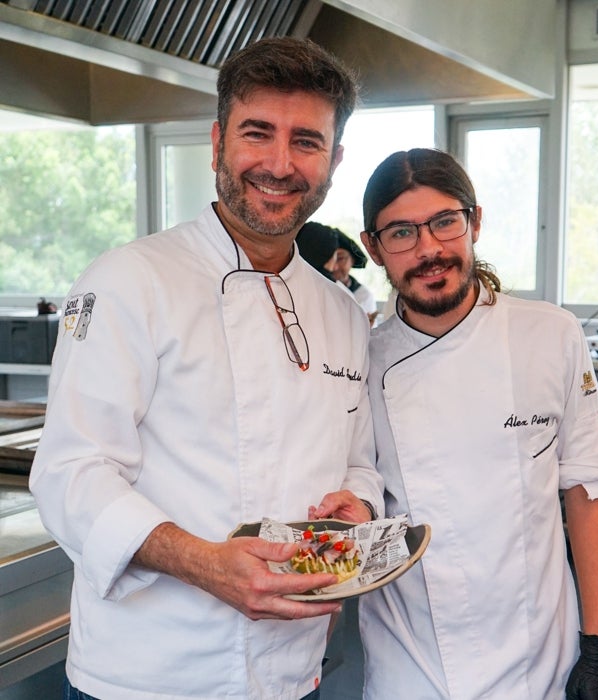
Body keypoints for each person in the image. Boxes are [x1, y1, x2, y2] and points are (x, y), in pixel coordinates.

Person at [29, 37, 383, 700]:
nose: (280, 164)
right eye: (258, 134)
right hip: (149, 676)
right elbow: (70, 474)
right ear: (218, 142)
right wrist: (205, 565)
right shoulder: (131, 280)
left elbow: (358, 461)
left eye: (306, 141)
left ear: (333, 160)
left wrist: (357, 504)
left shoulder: (340, 314)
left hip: (291, 672)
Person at [356, 147, 598, 699]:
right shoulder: (359, 359)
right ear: (373, 248)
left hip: (538, 657)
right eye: (401, 232)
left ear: (475, 221)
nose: (429, 249)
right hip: (411, 663)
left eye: (445, 222)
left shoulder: (551, 335)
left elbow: (590, 489)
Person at [333, 233, 378, 326]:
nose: (334, 266)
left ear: (352, 260)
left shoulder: (363, 296)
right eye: (329, 259)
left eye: (340, 258)